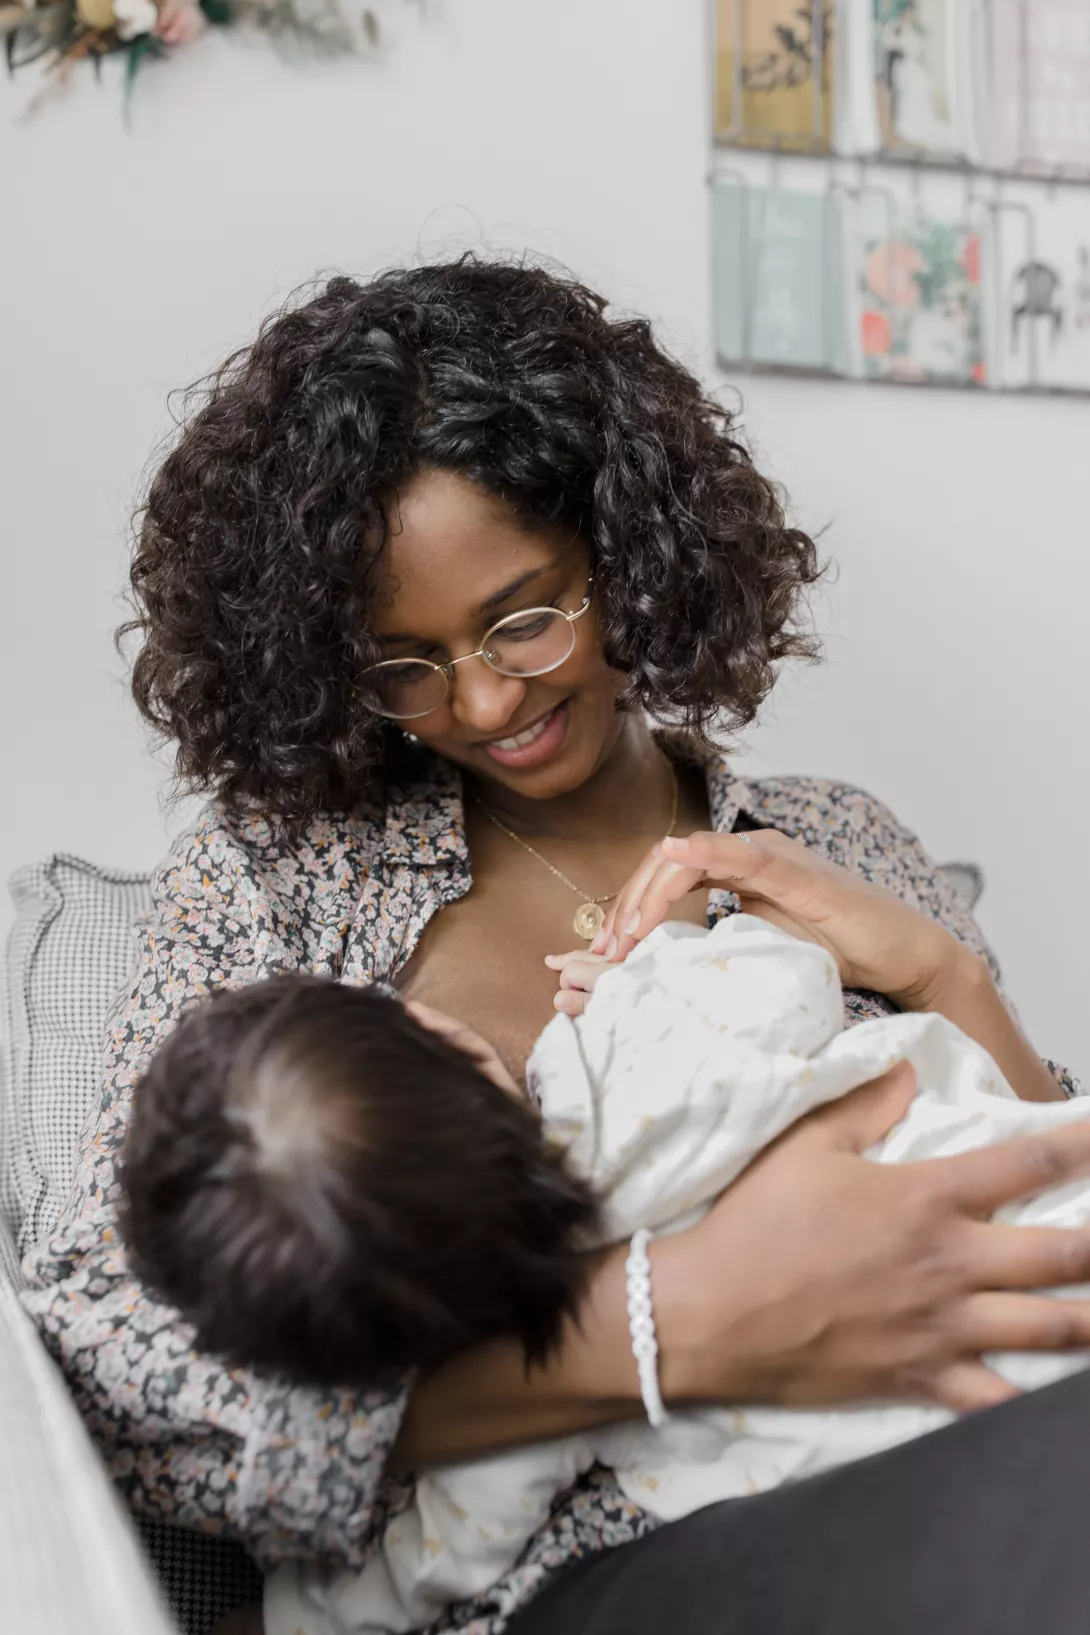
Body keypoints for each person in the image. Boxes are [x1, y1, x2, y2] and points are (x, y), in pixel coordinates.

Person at [19, 258, 1090, 1635]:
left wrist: (948, 976)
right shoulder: (272, 887)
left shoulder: (832, 837)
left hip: (952, 1435)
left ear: (624, 547)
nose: (476, 698)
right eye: (401, 662)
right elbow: (119, 1376)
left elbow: (1032, 1184)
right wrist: (671, 1319)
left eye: (524, 615)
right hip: (609, 1559)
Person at [118, 895, 1090, 1635]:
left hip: (927, 1425)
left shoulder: (509, 1414)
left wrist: (289, 1615)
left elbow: (427, 1567)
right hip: (1038, 1246)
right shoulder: (625, 1052)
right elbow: (777, 975)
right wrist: (663, 954)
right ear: (440, 1032)